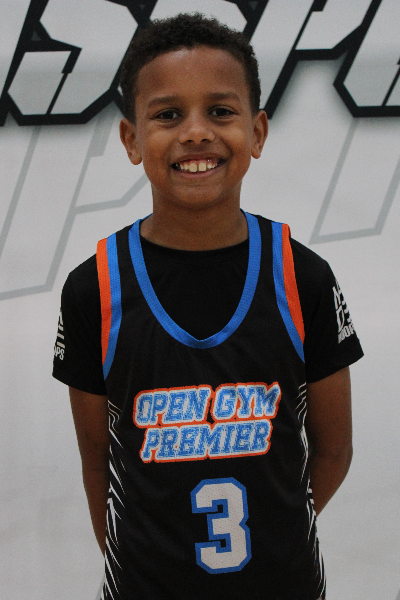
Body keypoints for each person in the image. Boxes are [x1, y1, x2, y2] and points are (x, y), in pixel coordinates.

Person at [53, 13, 363, 600]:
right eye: (168, 115)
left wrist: (275, 530)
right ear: (131, 139)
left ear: (258, 131)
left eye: (220, 111)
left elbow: (335, 450)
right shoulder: (94, 289)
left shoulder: (304, 278)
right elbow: (99, 464)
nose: (196, 133)